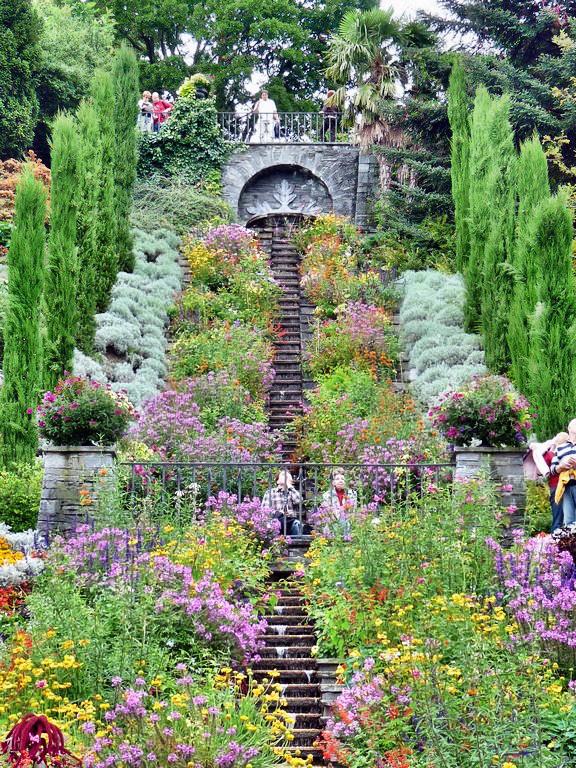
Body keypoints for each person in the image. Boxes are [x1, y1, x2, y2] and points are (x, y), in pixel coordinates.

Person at [262, 470, 303, 536]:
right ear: (277, 481)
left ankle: (295, 544)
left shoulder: (292, 492)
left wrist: (289, 485)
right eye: (283, 475)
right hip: (275, 521)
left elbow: (299, 500)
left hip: (290, 521)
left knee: (297, 524)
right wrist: (279, 513)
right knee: (271, 525)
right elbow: (264, 510)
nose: (286, 477)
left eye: (288, 476)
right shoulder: (270, 492)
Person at [551, 420, 576, 526]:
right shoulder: (560, 448)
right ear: (569, 428)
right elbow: (552, 470)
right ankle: (571, 542)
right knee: (569, 521)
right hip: (565, 486)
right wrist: (561, 466)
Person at [321, 468, 356, 536]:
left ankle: (344, 538)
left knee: (344, 518)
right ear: (333, 482)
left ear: (345, 482)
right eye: (337, 479)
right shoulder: (326, 495)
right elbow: (329, 513)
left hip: (348, 521)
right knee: (338, 518)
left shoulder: (352, 493)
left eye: (342, 479)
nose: (340, 481)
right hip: (333, 522)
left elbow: (353, 511)